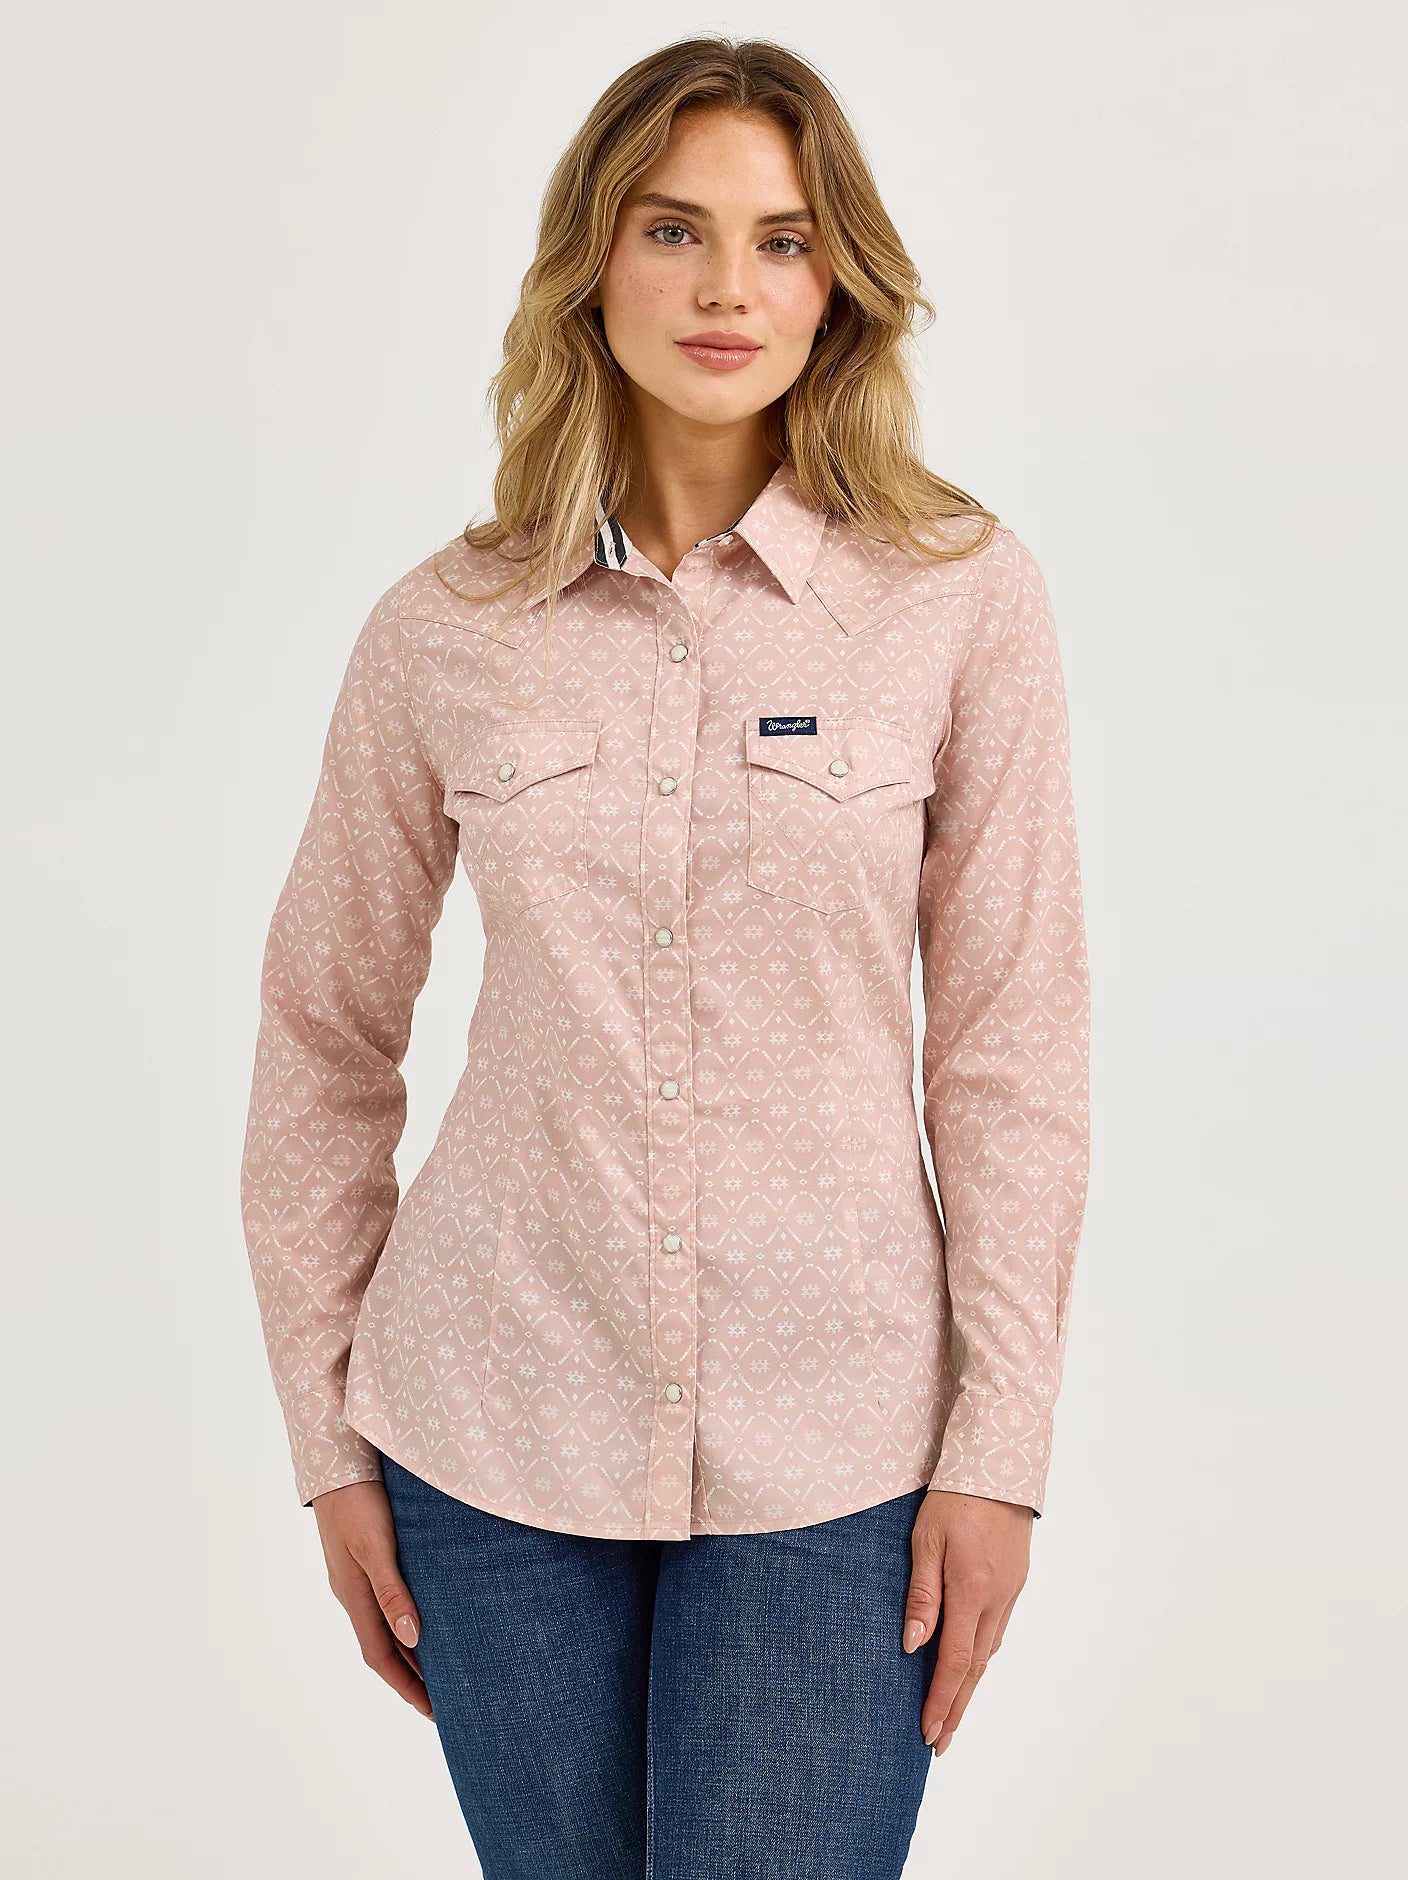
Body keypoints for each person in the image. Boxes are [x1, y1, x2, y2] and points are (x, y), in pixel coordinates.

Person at [239, 34, 1091, 1880]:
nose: (728, 289)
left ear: (838, 282)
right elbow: (321, 1036)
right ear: (592, 263)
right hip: (487, 1428)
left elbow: (1013, 1047)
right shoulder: (445, 627)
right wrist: (330, 1438)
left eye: (783, 241)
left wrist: (1001, 1446)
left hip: (839, 1445)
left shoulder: (959, 596)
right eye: (674, 230)